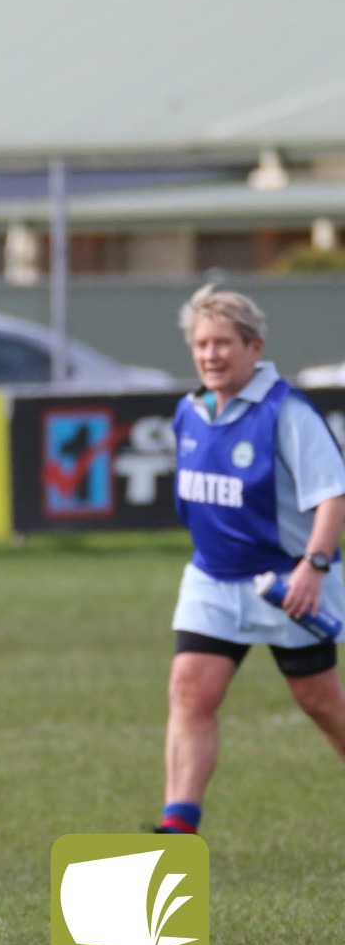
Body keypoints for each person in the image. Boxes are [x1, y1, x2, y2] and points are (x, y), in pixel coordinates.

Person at [158, 284, 345, 836]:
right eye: (201, 344)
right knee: (191, 691)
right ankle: (178, 828)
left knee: (318, 701)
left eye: (223, 344)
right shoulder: (188, 412)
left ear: (254, 348)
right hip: (212, 581)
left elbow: (332, 493)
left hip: (287, 583)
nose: (210, 355)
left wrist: (313, 566)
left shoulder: (287, 412)